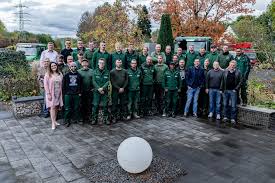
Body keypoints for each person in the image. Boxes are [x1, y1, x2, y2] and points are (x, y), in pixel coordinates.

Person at [221, 60, 242, 125]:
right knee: (225, 104)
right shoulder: (225, 71)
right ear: (229, 65)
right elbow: (222, 81)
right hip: (225, 90)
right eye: (231, 65)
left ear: (235, 65)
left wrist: (236, 89)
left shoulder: (238, 72)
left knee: (233, 105)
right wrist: (221, 89)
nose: (232, 66)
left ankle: (233, 118)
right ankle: (225, 117)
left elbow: (240, 81)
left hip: (233, 91)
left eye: (233, 65)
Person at [44, 62, 63, 129]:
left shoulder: (60, 74)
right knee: (52, 107)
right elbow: (45, 85)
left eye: (55, 65)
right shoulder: (48, 74)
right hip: (51, 94)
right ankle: (53, 123)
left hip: (58, 94)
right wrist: (48, 94)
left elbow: (62, 83)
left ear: (57, 66)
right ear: (50, 67)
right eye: (52, 66)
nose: (54, 67)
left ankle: (55, 121)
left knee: (57, 107)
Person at [63, 62, 83, 127]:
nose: (73, 67)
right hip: (68, 94)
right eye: (72, 66)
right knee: (67, 108)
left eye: (74, 66)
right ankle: (66, 120)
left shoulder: (79, 75)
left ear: (76, 67)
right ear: (70, 67)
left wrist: (80, 92)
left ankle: (76, 119)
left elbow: (81, 85)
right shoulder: (66, 75)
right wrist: (65, 93)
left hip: (76, 94)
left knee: (77, 107)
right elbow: (64, 85)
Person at [92, 58, 110, 125]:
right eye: (100, 63)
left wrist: (102, 88)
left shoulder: (107, 72)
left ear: (104, 64)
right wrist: (98, 88)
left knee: (105, 106)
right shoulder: (94, 72)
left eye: (103, 63)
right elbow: (93, 81)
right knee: (95, 106)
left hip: (104, 91)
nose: (101, 64)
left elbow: (108, 81)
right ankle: (94, 119)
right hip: (96, 92)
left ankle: (106, 119)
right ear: (98, 63)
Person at [78, 59, 93, 123]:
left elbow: (94, 80)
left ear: (88, 63)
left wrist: (93, 88)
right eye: (83, 62)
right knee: (82, 104)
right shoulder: (78, 71)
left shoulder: (92, 71)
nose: (84, 63)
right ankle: (82, 117)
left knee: (89, 104)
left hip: (90, 90)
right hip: (82, 91)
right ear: (81, 64)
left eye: (86, 62)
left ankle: (89, 117)